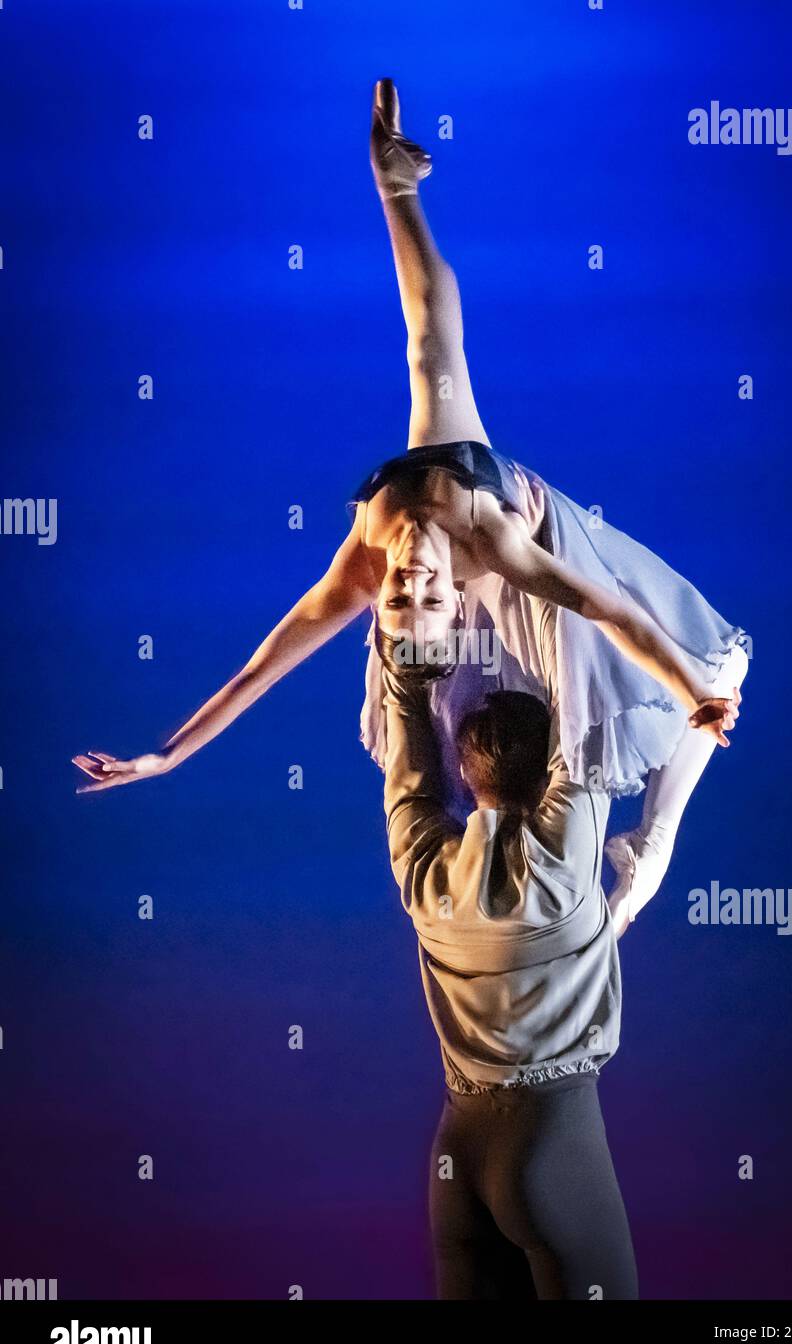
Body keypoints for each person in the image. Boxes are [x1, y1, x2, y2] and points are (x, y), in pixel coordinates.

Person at [73, 78, 745, 935]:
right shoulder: (483, 535)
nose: (419, 583)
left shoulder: (368, 549)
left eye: (406, 595)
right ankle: (579, 887)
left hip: (519, 574)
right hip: (541, 557)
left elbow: (429, 320)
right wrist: (690, 689)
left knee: (432, 357)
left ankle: (643, 852)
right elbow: (610, 609)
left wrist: (396, 189)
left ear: (385, 589)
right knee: (688, 674)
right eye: (431, 596)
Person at [382, 603, 636, 1299]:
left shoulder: (422, 871)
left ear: (462, 775)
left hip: (456, 1160)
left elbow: (405, 734)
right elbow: (588, 713)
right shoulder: (560, 866)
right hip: (554, 1146)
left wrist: (407, 614)